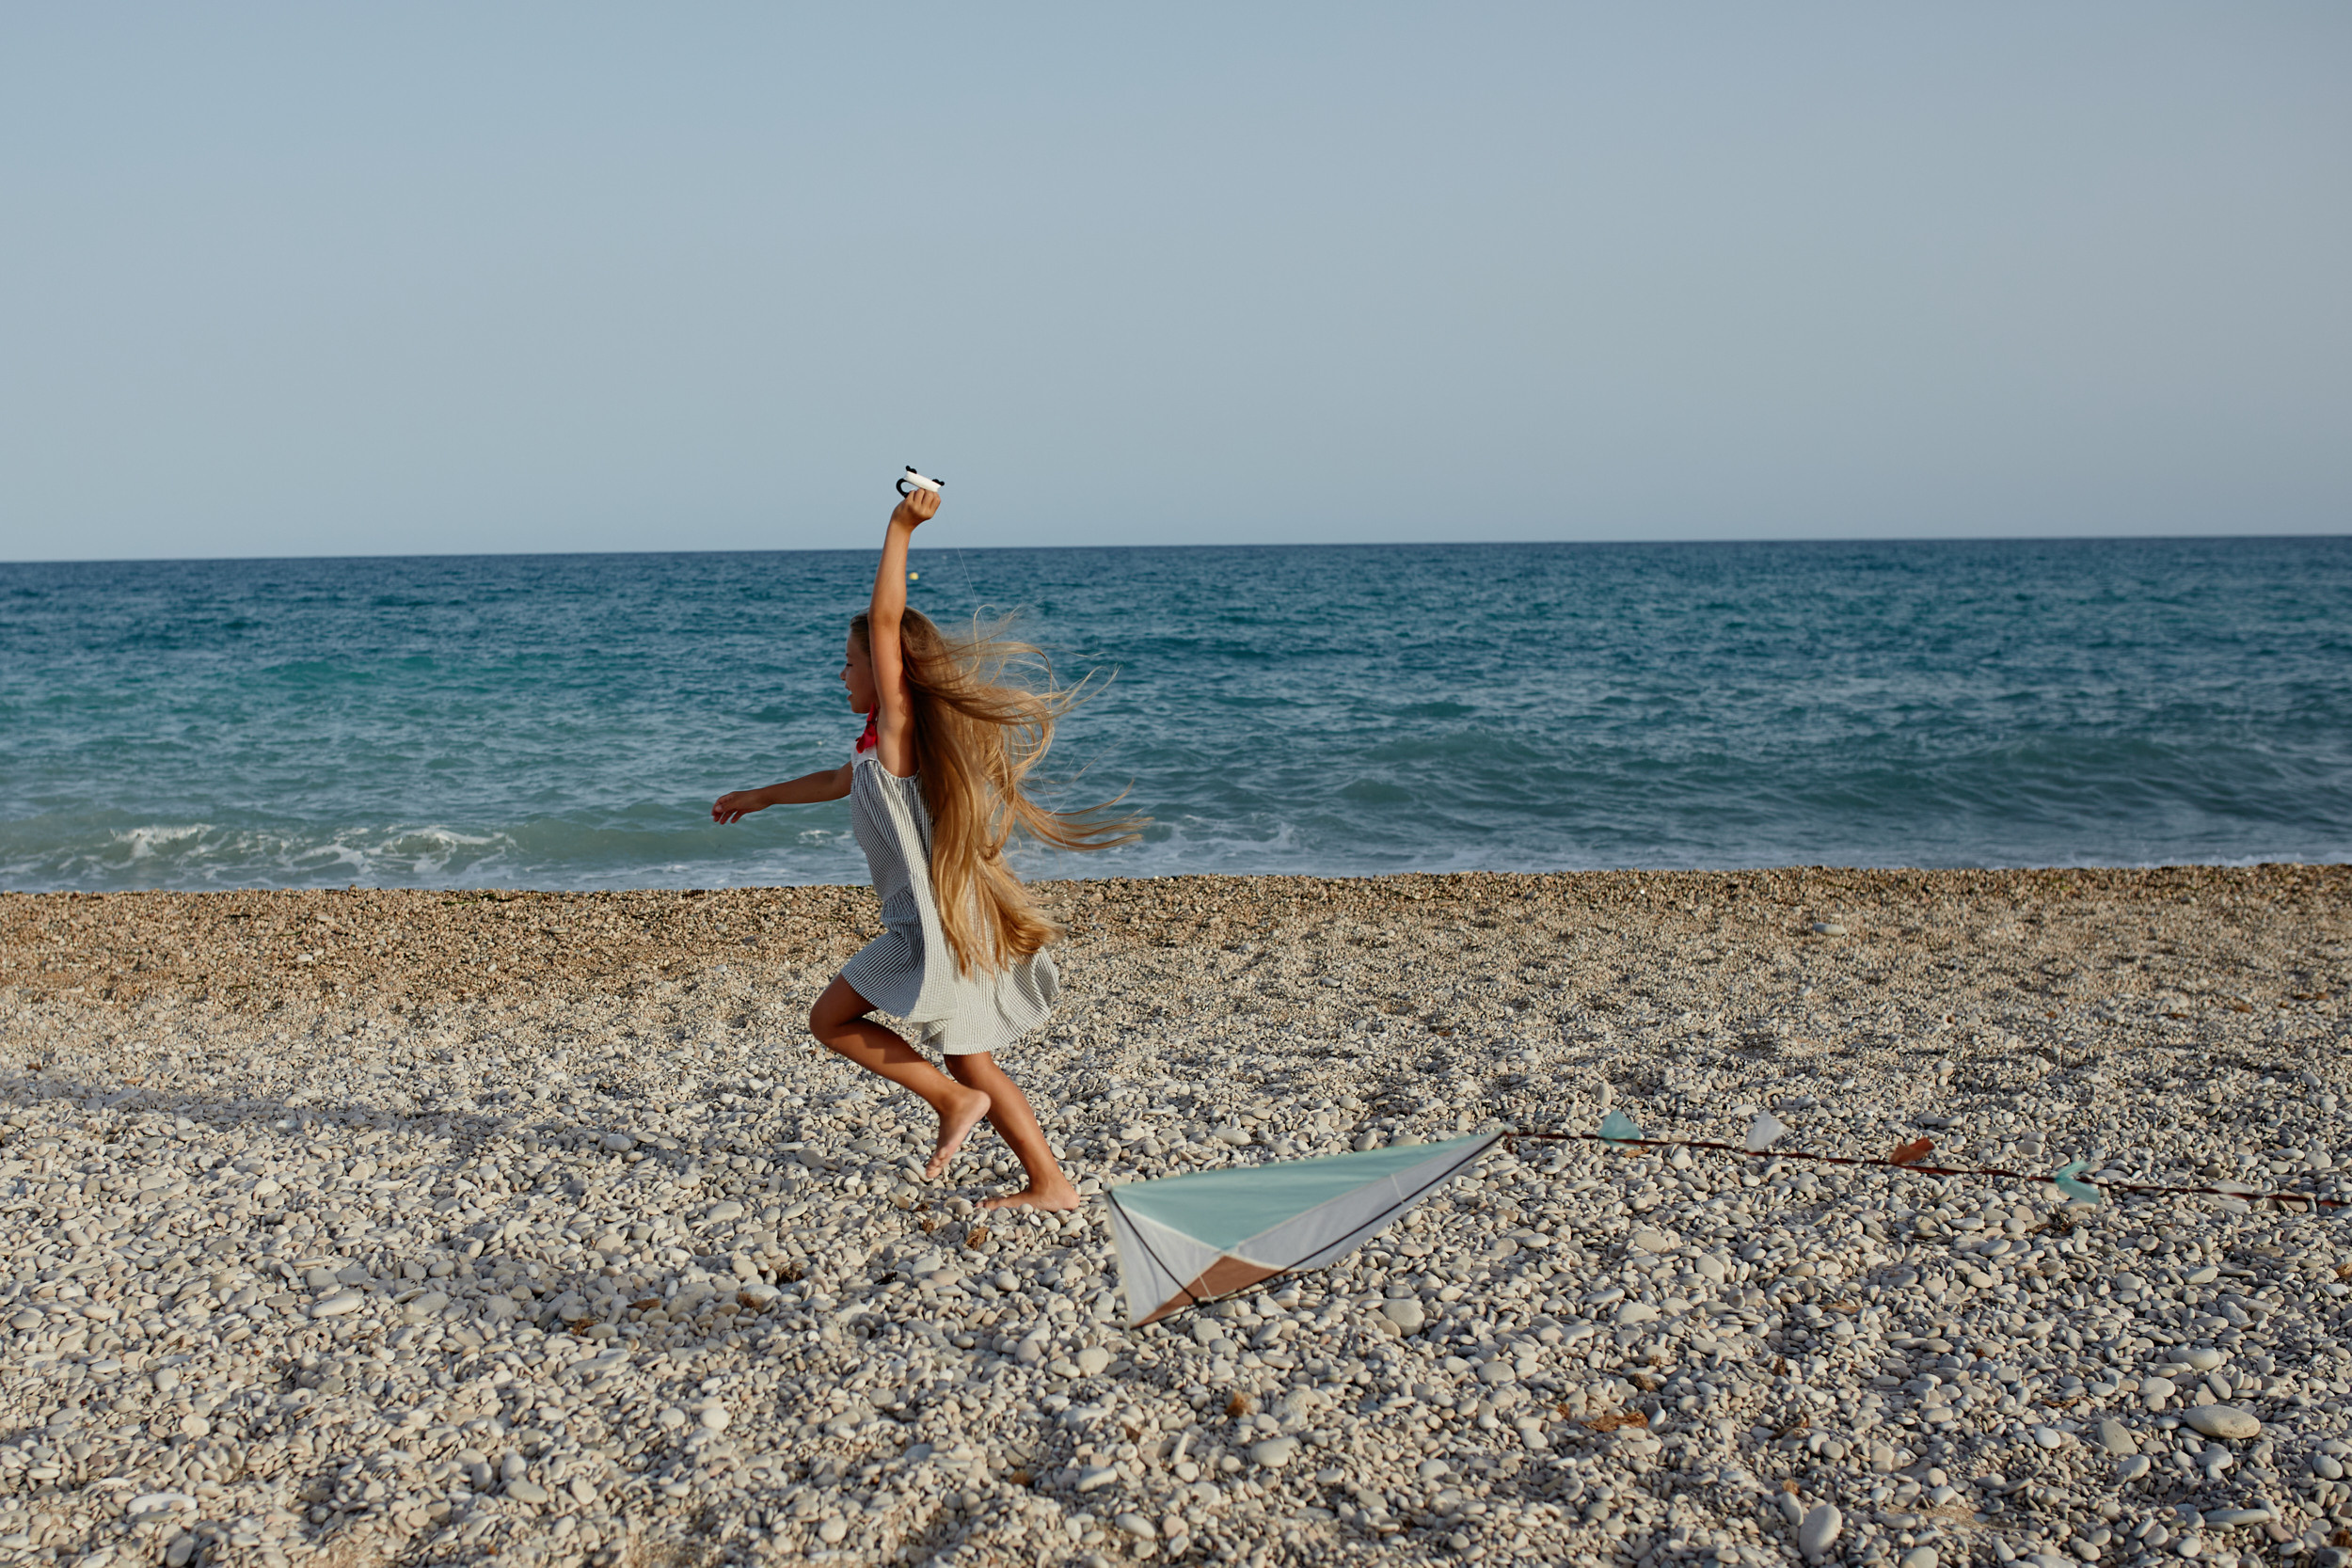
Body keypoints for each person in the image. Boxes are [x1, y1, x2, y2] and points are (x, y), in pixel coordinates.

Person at [711, 485, 1135, 1211]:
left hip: (929, 928)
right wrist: (763, 795)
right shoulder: (882, 750)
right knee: (970, 1052)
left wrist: (900, 526)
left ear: (887, 672)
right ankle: (1049, 1180)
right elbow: (840, 778)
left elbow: (884, 618)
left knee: (832, 1020)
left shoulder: (901, 734)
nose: (840, 673)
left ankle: (951, 1101)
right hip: (932, 921)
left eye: (849, 662)